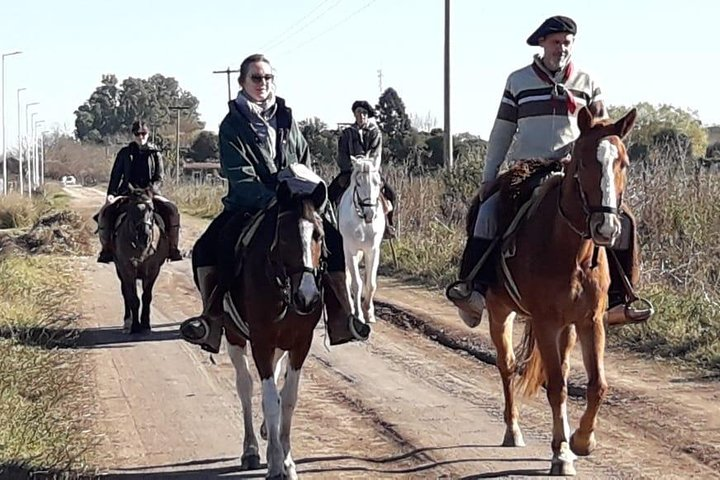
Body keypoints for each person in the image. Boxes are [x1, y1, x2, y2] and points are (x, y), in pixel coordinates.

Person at [447, 15, 651, 325]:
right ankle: (473, 287)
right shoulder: (518, 81)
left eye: (567, 43)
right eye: (555, 42)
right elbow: (503, 130)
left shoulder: (588, 82)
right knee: (486, 210)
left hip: (574, 170)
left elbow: (603, 132)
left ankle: (620, 299)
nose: (561, 48)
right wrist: (489, 178)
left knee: (623, 218)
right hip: (527, 168)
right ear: (542, 43)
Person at [179, 54, 369, 353]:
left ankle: (342, 316)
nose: (263, 83)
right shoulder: (231, 125)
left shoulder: (286, 117)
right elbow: (238, 172)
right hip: (249, 203)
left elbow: (303, 157)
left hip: (294, 201)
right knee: (208, 246)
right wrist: (270, 197)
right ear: (242, 82)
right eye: (256, 78)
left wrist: (304, 187)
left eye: (268, 78)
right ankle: (211, 319)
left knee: (330, 237)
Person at [96, 120, 182, 263]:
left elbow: (160, 177)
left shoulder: (156, 154)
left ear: (148, 134)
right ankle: (107, 249)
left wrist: (151, 190)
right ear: (133, 135)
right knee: (105, 212)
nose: (141, 136)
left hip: (150, 194)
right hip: (127, 193)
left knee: (172, 210)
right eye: (137, 134)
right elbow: (116, 175)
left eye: (143, 133)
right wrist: (111, 194)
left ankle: (173, 248)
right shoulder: (124, 153)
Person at [328, 100, 397, 238]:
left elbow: (376, 154)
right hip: (350, 172)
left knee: (391, 193)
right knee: (329, 194)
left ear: (368, 116)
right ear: (354, 114)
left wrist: (367, 166)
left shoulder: (375, 133)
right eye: (358, 112)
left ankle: (388, 225)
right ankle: (330, 227)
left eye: (364, 113)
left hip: (370, 171)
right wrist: (352, 167)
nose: (361, 115)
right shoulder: (346, 133)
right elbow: (342, 155)